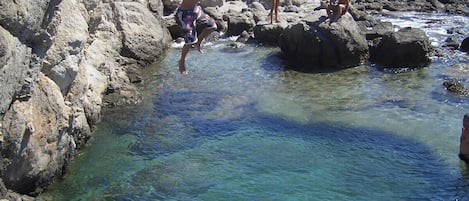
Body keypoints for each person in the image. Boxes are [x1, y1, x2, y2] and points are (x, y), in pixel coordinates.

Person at [176, 0, 217, 75]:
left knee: (212, 26)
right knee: (190, 42)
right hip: (185, 14)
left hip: (196, 10)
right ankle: (181, 62)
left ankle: (198, 42)